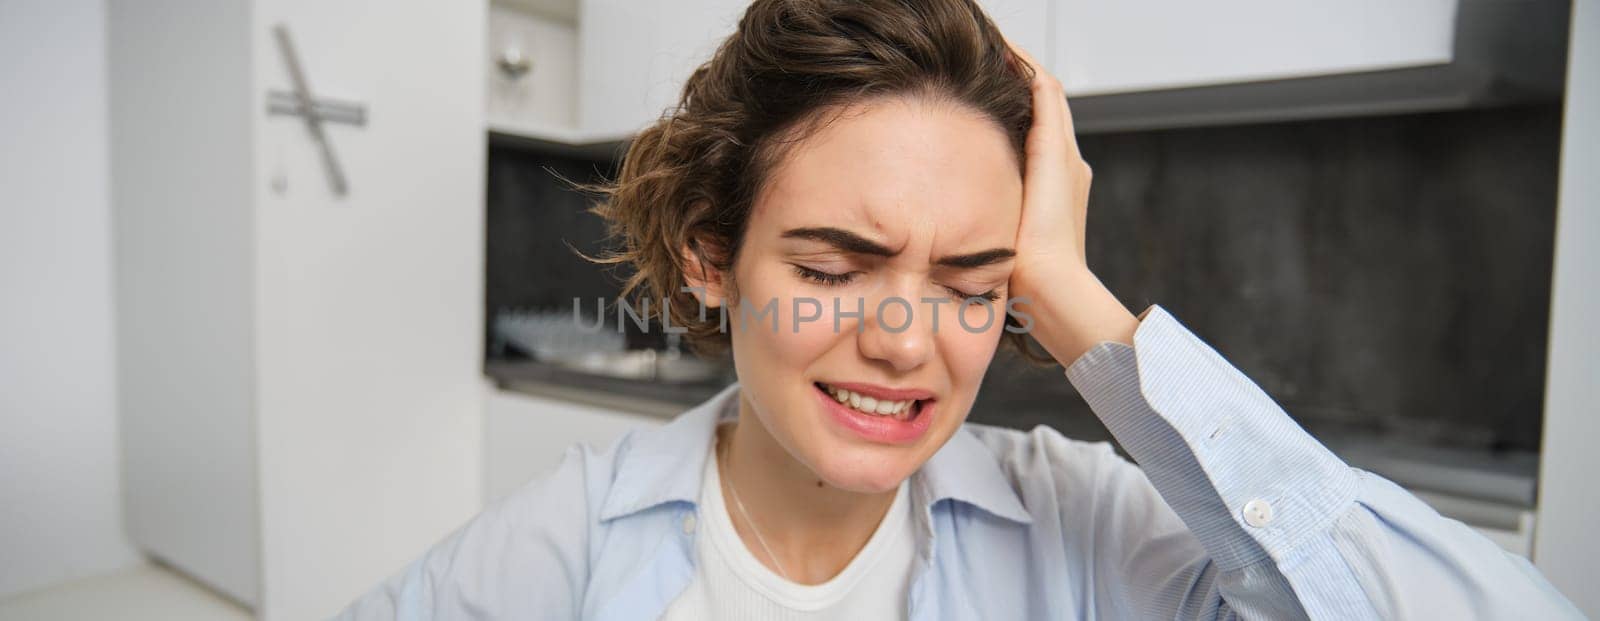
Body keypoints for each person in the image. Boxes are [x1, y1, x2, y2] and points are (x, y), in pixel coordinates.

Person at [335, 0, 1582, 618]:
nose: (905, 338)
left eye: (976, 285)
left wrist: (1074, 298)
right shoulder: (568, 546)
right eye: (829, 271)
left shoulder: (1084, 527)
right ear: (713, 259)